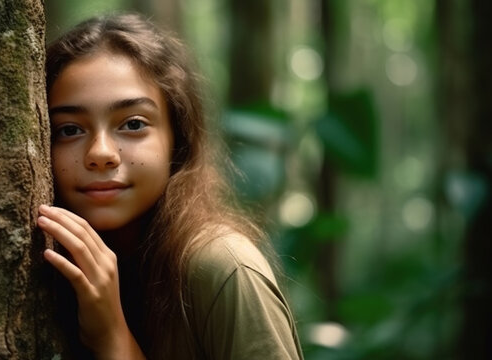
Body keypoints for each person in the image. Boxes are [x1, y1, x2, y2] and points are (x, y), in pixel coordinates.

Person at [38, 13, 303, 360]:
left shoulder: (225, 268)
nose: (100, 154)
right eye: (70, 129)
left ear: (176, 139)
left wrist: (114, 340)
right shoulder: (44, 270)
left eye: (132, 124)